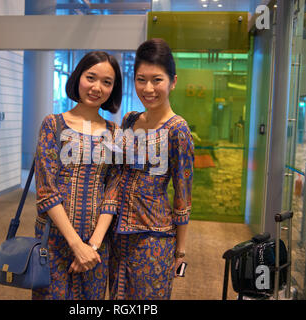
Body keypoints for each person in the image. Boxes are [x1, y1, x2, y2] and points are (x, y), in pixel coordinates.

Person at [104, 38, 194, 300]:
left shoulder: (178, 130)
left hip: (154, 238)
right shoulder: (130, 119)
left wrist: (181, 251)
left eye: (157, 80)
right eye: (141, 79)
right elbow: (117, 172)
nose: (148, 88)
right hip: (118, 234)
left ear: (173, 81)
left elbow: (183, 194)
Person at [33, 51, 122, 300]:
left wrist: (92, 245)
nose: (97, 87)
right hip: (54, 239)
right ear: (77, 78)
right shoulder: (53, 125)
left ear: (113, 89)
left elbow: (113, 191)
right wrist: (76, 245)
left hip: (96, 244)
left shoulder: (115, 133)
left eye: (107, 82)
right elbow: (46, 190)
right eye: (91, 77)